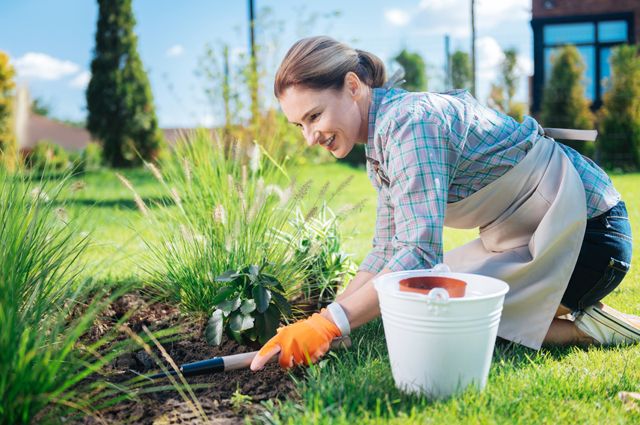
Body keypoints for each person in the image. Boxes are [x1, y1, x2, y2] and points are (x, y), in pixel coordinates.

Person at [250, 36, 639, 372]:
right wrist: (325, 321)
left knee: (454, 322)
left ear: (352, 86)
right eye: (299, 124)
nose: (309, 137)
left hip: (590, 232)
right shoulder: (380, 147)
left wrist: (331, 323)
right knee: (423, 306)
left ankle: (600, 331)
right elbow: (386, 251)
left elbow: (419, 254)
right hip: (538, 234)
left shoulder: (409, 124)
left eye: (314, 116)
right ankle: (596, 324)